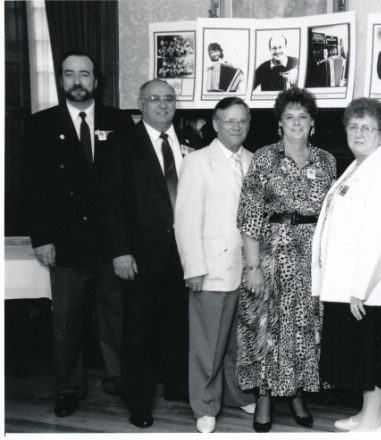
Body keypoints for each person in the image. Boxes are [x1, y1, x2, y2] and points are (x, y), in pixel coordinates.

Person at [24, 50, 134, 418]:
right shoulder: (40, 125)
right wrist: (41, 238)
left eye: (84, 74)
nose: (77, 81)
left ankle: (120, 379)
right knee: (67, 320)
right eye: (69, 74)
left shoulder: (119, 122)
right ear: (60, 80)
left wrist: (127, 244)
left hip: (111, 244)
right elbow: (32, 188)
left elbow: (130, 187)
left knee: (115, 316)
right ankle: (69, 387)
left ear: (96, 81)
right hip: (65, 243)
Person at [101, 79, 201, 428]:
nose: (162, 105)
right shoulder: (121, 142)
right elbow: (109, 202)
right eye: (154, 99)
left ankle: (176, 388)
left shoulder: (191, 141)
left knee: (178, 324)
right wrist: (120, 251)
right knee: (138, 331)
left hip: (183, 253)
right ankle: (139, 401)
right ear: (140, 103)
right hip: (140, 255)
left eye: (169, 99)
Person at [236, 87, 336, 432]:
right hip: (271, 254)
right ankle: (264, 396)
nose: (296, 123)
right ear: (279, 123)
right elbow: (249, 214)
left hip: (311, 257)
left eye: (303, 117)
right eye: (289, 117)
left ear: (312, 124)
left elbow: (333, 214)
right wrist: (252, 267)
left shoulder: (326, 161)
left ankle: (296, 394)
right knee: (267, 328)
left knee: (303, 328)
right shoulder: (264, 158)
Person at [312, 98, 381, 432]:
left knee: (373, 354)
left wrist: (360, 289)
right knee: (362, 354)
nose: (358, 133)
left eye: (367, 127)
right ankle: (370, 414)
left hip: (371, 288)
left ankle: (373, 421)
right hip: (352, 284)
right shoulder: (359, 166)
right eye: (353, 126)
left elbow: (380, 236)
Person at [174, 97, 256, 433]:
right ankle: (205, 406)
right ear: (216, 123)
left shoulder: (254, 160)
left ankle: (236, 394)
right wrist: (193, 266)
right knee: (207, 345)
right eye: (229, 121)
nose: (236, 127)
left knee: (239, 340)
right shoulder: (197, 162)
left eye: (243, 121)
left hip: (248, 268)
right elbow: (185, 218)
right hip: (211, 268)